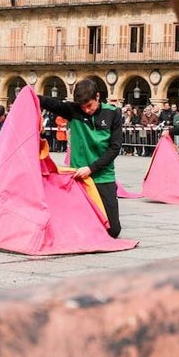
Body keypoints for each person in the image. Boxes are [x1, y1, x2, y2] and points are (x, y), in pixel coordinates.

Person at [39, 78, 124, 238]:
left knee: (113, 230)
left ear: (98, 97)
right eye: (82, 107)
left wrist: (91, 168)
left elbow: (114, 148)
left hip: (102, 176)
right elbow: (48, 103)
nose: (86, 110)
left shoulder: (113, 113)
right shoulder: (73, 110)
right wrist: (28, 95)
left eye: (89, 105)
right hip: (78, 177)